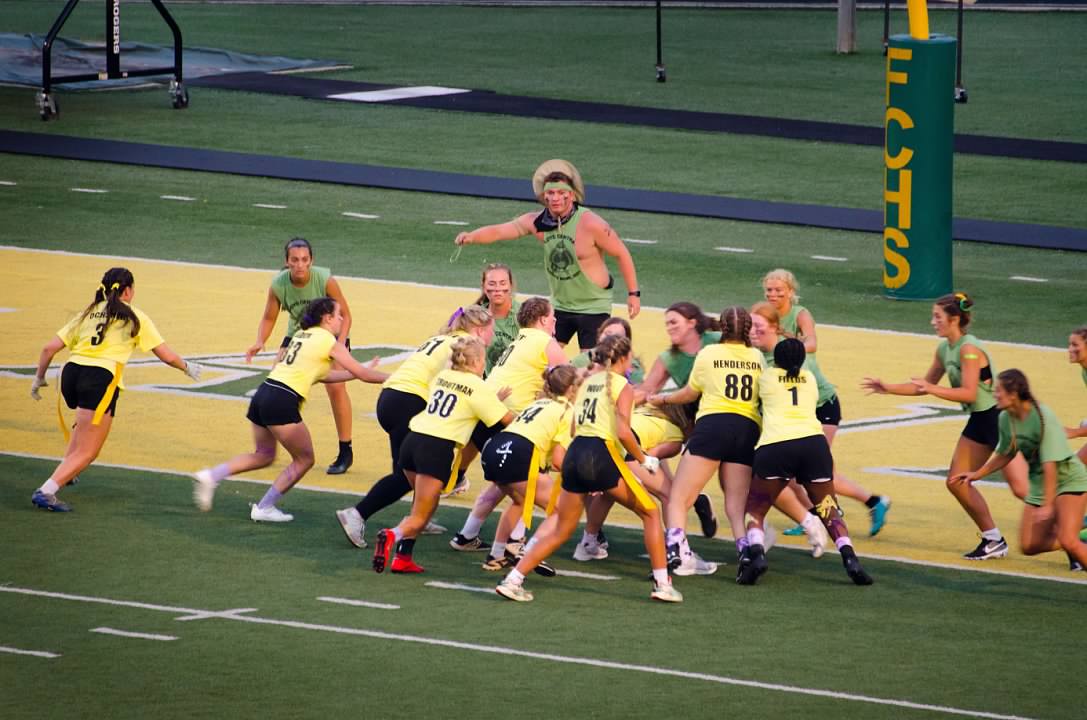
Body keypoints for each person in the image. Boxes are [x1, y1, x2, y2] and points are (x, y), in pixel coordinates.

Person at [496, 334, 682, 603]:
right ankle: (663, 584)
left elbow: (574, 428)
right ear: (623, 358)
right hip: (600, 453)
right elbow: (623, 432)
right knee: (651, 513)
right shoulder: (622, 386)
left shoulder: (585, 383)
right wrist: (642, 459)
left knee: (562, 529)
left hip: (575, 454)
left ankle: (513, 580)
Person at [861, 292, 1026, 560]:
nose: (932, 322)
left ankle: (1071, 533)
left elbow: (969, 393)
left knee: (1023, 489)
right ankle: (994, 539)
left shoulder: (968, 349)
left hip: (997, 420)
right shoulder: (944, 349)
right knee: (956, 482)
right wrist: (888, 387)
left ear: (954, 319)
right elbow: (923, 386)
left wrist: (932, 389)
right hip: (980, 420)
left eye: (937, 317)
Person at [195, 298, 387, 521]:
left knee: (264, 455)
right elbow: (363, 374)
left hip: (264, 394)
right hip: (282, 400)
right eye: (338, 315)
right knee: (305, 459)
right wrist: (395, 378)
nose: (342, 320)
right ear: (327, 318)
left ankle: (211, 475)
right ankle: (264, 507)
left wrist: (358, 372)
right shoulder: (328, 340)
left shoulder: (302, 335)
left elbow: (323, 375)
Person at [29, 267, 201, 512]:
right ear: (127, 291)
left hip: (70, 374)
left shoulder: (87, 313)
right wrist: (187, 367)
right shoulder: (134, 316)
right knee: (89, 451)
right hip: (99, 378)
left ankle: (68, 472)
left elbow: (49, 348)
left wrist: (38, 379)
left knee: (84, 426)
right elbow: (166, 355)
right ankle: (47, 491)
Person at [334, 305, 495, 548]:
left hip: (390, 397)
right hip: (409, 402)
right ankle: (357, 514)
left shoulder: (442, 338)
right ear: (480, 329)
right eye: (491, 330)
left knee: (409, 470)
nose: (492, 335)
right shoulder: (467, 346)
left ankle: (418, 518)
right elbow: (464, 388)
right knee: (406, 474)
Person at [453, 159, 640, 350]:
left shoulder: (591, 223)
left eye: (561, 192)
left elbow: (621, 253)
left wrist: (634, 294)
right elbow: (499, 231)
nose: (556, 198)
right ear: (544, 197)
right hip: (560, 306)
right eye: (551, 193)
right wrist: (472, 236)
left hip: (594, 307)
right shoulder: (537, 222)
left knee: (591, 361)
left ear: (572, 195)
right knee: (541, 355)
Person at [737, 338, 874, 586]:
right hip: (814, 445)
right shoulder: (809, 379)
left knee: (755, 509)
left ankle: (756, 555)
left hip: (776, 445)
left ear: (776, 359)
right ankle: (850, 558)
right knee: (828, 508)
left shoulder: (766, 377)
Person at [372, 336, 515, 574]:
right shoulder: (478, 386)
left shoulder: (443, 376)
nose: (484, 364)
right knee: (421, 514)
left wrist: (491, 401)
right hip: (435, 449)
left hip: (412, 441)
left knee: (422, 506)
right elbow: (507, 420)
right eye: (483, 360)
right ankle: (391, 535)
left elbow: (458, 403)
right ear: (476, 361)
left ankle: (403, 557)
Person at [749, 301, 891, 538]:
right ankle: (816, 515)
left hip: (820, 408)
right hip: (798, 414)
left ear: (774, 326)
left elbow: (803, 386)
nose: (752, 331)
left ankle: (867, 503)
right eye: (749, 325)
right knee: (800, 473)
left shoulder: (789, 352)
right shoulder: (762, 352)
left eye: (757, 325)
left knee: (815, 473)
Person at [649, 306, 765, 572]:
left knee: (678, 497)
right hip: (747, 430)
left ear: (722, 328)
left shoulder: (709, 353)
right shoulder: (757, 357)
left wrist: (663, 399)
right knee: (736, 505)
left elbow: (690, 393)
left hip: (713, 427)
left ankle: (676, 552)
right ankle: (745, 553)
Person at [447, 297, 569, 548]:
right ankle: (514, 543)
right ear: (543, 320)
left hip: (488, 415)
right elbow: (568, 382)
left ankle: (468, 535)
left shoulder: (520, 339)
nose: (555, 321)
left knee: (505, 483)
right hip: (507, 420)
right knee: (529, 482)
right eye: (552, 316)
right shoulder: (546, 342)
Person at [953, 369, 1087, 571]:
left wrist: (1047, 506)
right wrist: (976, 475)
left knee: (1068, 540)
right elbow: (1006, 453)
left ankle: (1073, 540)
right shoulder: (1005, 418)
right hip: (1039, 484)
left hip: (1068, 480)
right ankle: (1076, 534)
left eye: (999, 390)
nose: (994, 394)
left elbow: (1050, 465)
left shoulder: (1042, 417)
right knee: (1029, 545)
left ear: (1014, 395)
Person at [245, 237, 356, 475]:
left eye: (304, 260)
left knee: (336, 388)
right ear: (287, 262)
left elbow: (346, 315)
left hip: (330, 336)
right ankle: (270, 445)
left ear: (311, 261)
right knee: (276, 382)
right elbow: (269, 317)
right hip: (298, 336)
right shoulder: (279, 284)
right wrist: (260, 341)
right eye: (294, 260)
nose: (300, 265)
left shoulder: (325, 279)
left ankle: (345, 450)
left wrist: (340, 344)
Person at [478, 364, 580, 573]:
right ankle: (529, 553)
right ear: (572, 388)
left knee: (520, 501)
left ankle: (496, 555)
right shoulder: (567, 411)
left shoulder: (539, 403)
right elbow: (558, 460)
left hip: (494, 448)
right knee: (561, 510)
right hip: (519, 453)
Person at [473, 262, 521, 376]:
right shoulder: (474, 317)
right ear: (484, 287)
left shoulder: (524, 315)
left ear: (511, 286)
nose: (497, 289)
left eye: (502, 283)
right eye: (492, 284)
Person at [1065, 326, 1087, 464]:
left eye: (1075, 345)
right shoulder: (1085, 372)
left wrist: (1075, 432)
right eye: (1070, 344)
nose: (1070, 349)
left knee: (1075, 468)